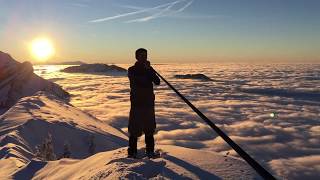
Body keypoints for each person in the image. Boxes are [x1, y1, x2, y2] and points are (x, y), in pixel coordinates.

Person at [127, 48, 160, 158]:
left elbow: (157, 82)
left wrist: (149, 70)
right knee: (134, 129)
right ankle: (132, 153)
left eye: (145, 55)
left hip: (148, 104)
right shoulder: (132, 70)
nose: (144, 58)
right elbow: (139, 81)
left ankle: (150, 151)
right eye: (141, 55)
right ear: (136, 57)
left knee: (149, 129)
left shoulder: (149, 69)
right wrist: (148, 70)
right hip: (137, 104)